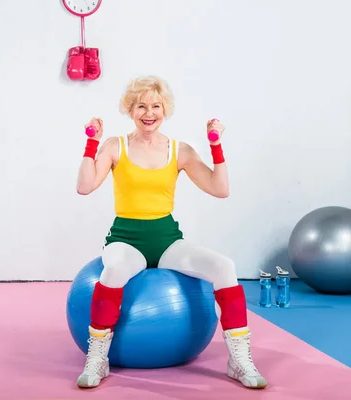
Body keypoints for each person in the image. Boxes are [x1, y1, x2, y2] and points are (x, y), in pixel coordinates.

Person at [74, 76, 267, 390]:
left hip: (166, 240)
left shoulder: (179, 150)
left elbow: (220, 189)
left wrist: (215, 146)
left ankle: (239, 361)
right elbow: (84, 187)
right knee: (114, 270)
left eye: (155, 106)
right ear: (130, 110)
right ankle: (98, 359)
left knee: (225, 267)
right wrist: (91, 142)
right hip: (126, 239)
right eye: (141, 106)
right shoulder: (116, 146)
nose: (149, 113)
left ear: (165, 109)